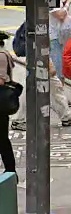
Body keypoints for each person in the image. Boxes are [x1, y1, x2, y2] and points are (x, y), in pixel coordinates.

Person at [0, 31, 16, 178]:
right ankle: (10, 170)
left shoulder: (0, 56)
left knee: (2, 139)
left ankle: (11, 170)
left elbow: (1, 80)